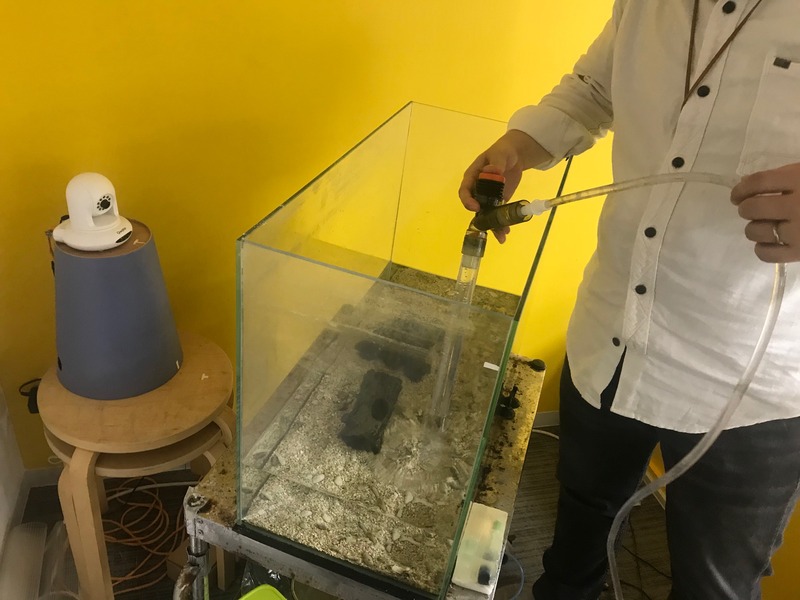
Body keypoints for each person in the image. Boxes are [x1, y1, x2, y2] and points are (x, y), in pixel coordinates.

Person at [458, 1, 800, 598]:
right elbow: (595, 89)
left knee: (713, 585)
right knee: (576, 544)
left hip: (751, 382)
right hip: (612, 334)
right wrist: (520, 145)